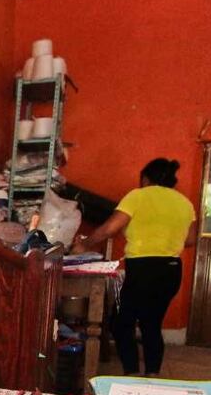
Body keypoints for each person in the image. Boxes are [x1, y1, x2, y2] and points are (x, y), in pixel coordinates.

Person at [71, 158, 196, 376]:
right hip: (172, 269)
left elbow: (110, 228)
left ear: (146, 179)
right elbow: (191, 239)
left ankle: (131, 373)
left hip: (143, 268)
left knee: (122, 323)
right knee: (152, 323)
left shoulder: (137, 196)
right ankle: (153, 374)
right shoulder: (185, 203)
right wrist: (165, 237)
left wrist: (83, 244)